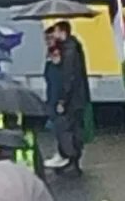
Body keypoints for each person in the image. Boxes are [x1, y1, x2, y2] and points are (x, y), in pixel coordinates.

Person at [44, 21, 90, 174]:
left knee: (66, 128)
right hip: (72, 99)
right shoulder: (69, 48)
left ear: (62, 32)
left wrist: (62, 100)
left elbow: (68, 78)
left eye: (55, 32)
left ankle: (68, 158)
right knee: (69, 128)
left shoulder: (69, 51)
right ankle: (69, 158)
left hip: (69, 100)